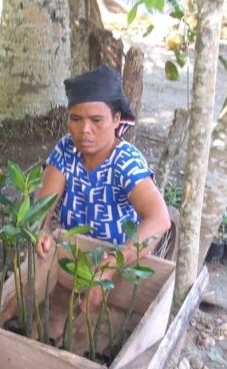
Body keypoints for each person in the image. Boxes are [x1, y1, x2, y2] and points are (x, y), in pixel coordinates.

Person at [34, 65, 171, 310]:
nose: (84, 130)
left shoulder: (125, 162)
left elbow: (159, 219)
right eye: (76, 119)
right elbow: (42, 206)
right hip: (73, 254)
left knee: (94, 309)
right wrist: (41, 230)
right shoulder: (66, 150)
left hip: (118, 259)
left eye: (97, 120)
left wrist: (110, 265)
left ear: (116, 120)